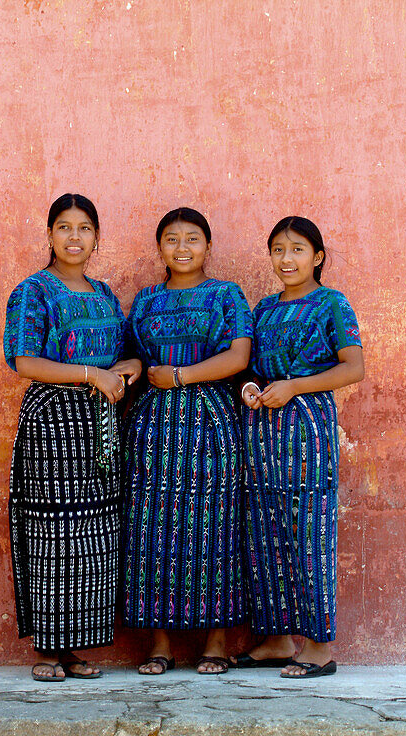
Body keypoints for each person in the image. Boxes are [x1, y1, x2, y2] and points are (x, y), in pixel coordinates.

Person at [3, 193, 141, 681]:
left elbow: (129, 353)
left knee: (94, 534)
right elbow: (24, 362)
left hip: (100, 427)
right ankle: (47, 649)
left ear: (97, 238)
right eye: (64, 227)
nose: (75, 237)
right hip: (52, 423)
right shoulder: (33, 292)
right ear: (49, 235)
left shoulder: (104, 294)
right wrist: (90, 375)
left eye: (84, 228)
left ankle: (75, 649)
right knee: (52, 530)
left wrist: (127, 368)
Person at [122, 207, 252, 675]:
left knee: (214, 526)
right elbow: (133, 355)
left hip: (211, 423)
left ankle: (215, 641)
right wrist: (135, 367)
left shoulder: (225, 295)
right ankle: (160, 643)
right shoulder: (145, 299)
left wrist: (181, 376)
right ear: (160, 248)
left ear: (208, 246)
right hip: (153, 428)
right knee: (152, 529)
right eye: (172, 239)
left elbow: (239, 356)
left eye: (192, 238)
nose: (182, 248)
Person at [236, 216, 365, 679]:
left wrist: (296, 387)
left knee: (309, 531)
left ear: (318, 257)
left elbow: (354, 368)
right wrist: (254, 388)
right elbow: (249, 366)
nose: (286, 259)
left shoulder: (332, 304)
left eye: (296, 250)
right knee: (265, 531)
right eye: (277, 250)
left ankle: (319, 645)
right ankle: (277, 640)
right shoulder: (265, 308)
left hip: (306, 428)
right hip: (261, 426)